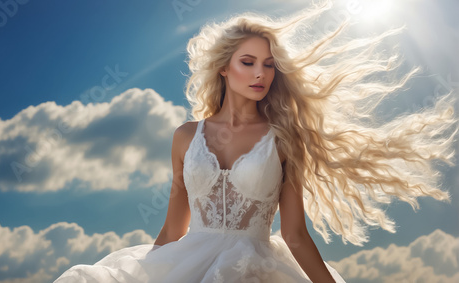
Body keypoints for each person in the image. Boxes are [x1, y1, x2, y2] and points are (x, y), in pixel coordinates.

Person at [54, 1, 456, 282]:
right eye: (248, 62)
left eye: (268, 65)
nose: (260, 74)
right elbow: (174, 229)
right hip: (186, 264)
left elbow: (295, 234)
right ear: (224, 68)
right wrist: (149, 273)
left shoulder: (283, 139)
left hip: (258, 268)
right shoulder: (185, 136)